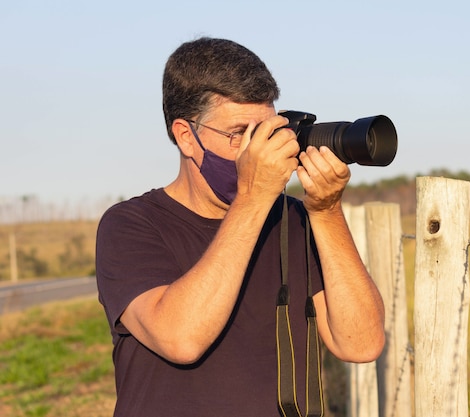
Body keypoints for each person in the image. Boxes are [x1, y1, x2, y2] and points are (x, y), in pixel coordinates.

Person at [96, 37, 385, 417]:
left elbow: (361, 343)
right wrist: (253, 197)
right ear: (186, 136)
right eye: (239, 134)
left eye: (266, 131)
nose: (256, 150)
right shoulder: (130, 224)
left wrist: (326, 211)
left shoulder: (294, 220)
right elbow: (180, 338)